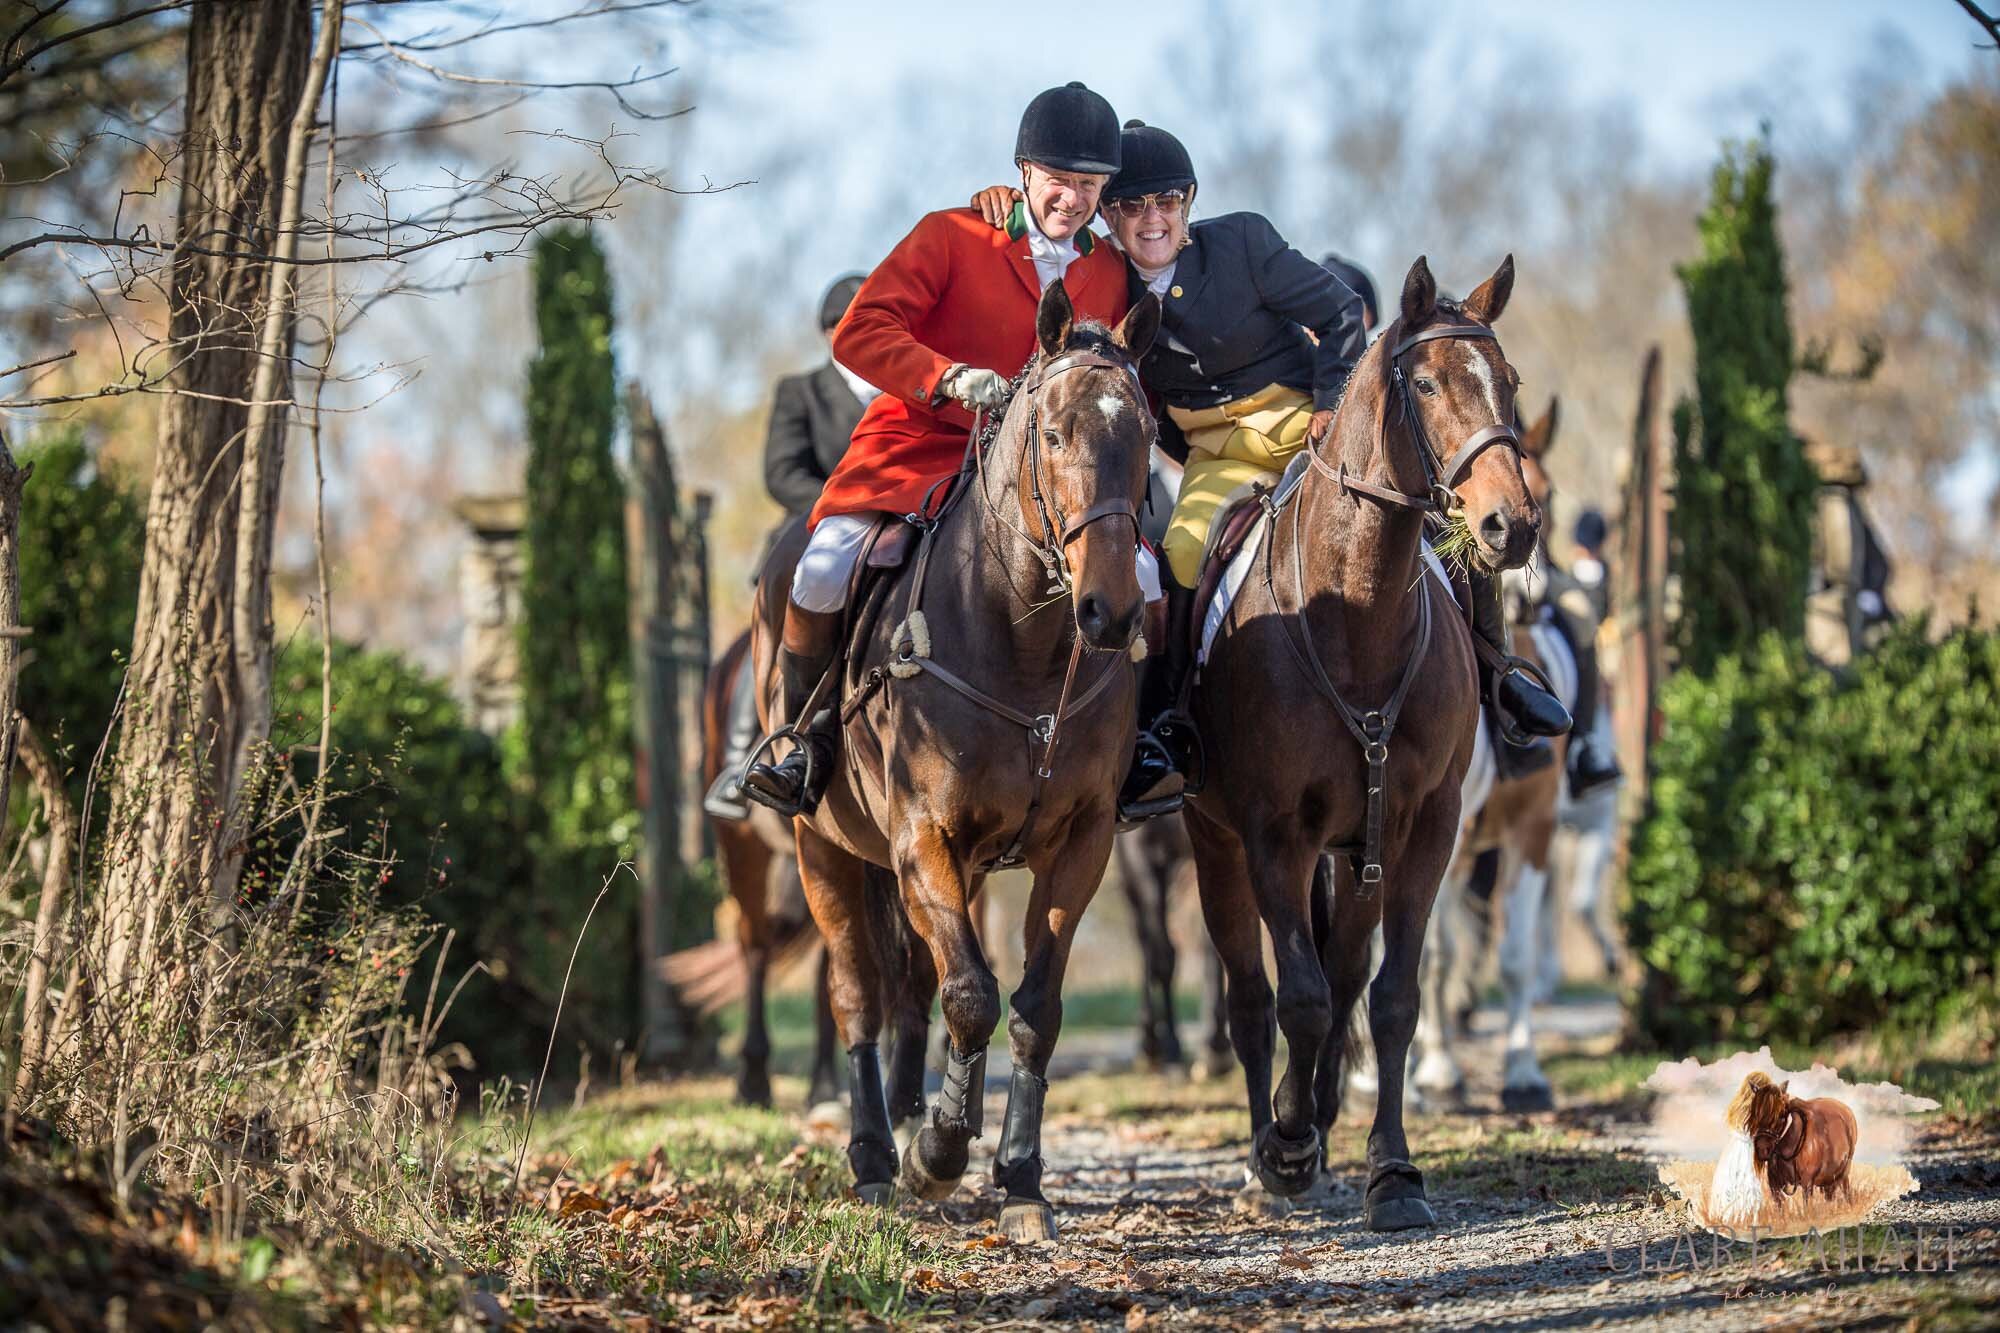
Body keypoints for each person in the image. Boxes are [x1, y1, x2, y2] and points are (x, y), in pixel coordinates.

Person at [973, 120, 1571, 808]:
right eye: (1133, 207)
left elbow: (1344, 311)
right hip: (1213, 454)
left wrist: (1327, 401)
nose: (1152, 220)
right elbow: (1040, 246)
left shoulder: (1245, 243)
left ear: (1190, 201)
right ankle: (1165, 727)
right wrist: (1002, 205)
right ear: (1108, 215)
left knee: (1433, 519)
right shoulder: (1099, 277)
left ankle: (1502, 677)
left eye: (1167, 201)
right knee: (1178, 557)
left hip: (1304, 426)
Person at [742, 82, 1144, 818]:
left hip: (1049, 480)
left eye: (1090, 186)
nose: (1074, 199)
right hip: (922, 447)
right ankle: (805, 740)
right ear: (1024, 171)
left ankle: (1134, 746)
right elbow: (858, 331)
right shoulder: (954, 235)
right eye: (1060, 181)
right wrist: (947, 377)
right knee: (825, 565)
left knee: (1142, 575)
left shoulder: (1111, 274)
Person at [704, 274, 872, 820]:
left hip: (902, 523)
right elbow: (780, 473)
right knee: (767, 633)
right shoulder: (801, 392)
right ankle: (739, 758)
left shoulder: (903, 390)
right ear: (829, 333)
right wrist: (846, 500)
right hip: (815, 526)